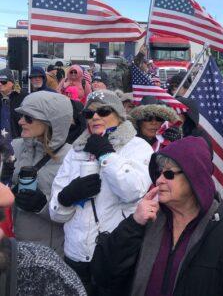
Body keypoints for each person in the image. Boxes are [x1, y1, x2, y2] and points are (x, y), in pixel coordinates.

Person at [90, 136, 223, 296]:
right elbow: (104, 274)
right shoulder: (147, 219)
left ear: (194, 177)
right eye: (158, 173)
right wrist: (133, 224)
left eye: (169, 174)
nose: (159, 180)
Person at [50, 90, 153, 294]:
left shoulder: (138, 147)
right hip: (75, 255)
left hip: (112, 254)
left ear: (119, 114)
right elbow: (55, 212)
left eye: (103, 111)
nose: (95, 117)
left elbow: (132, 191)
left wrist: (106, 155)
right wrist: (66, 197)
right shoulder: (76, 150)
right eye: (89, 114)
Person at [11, 91, 73, 255]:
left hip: (46, 253)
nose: (20, 121)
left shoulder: (71, 158)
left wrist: (42, 205)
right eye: (22, 116)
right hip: (10, 246)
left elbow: (77, 212)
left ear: (50, 122)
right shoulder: (13, 147)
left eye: (28, 118)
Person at [0, 182, 86, 295]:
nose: (8, 197)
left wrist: (44, 205)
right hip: (19, 244)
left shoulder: (44, 268)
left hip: (51, 251)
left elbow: (77, 221)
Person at [0, 69, 25, 142]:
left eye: (3, 81)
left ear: (11, 83)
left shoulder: (23, 97)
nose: (0, 84)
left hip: (18, 141)